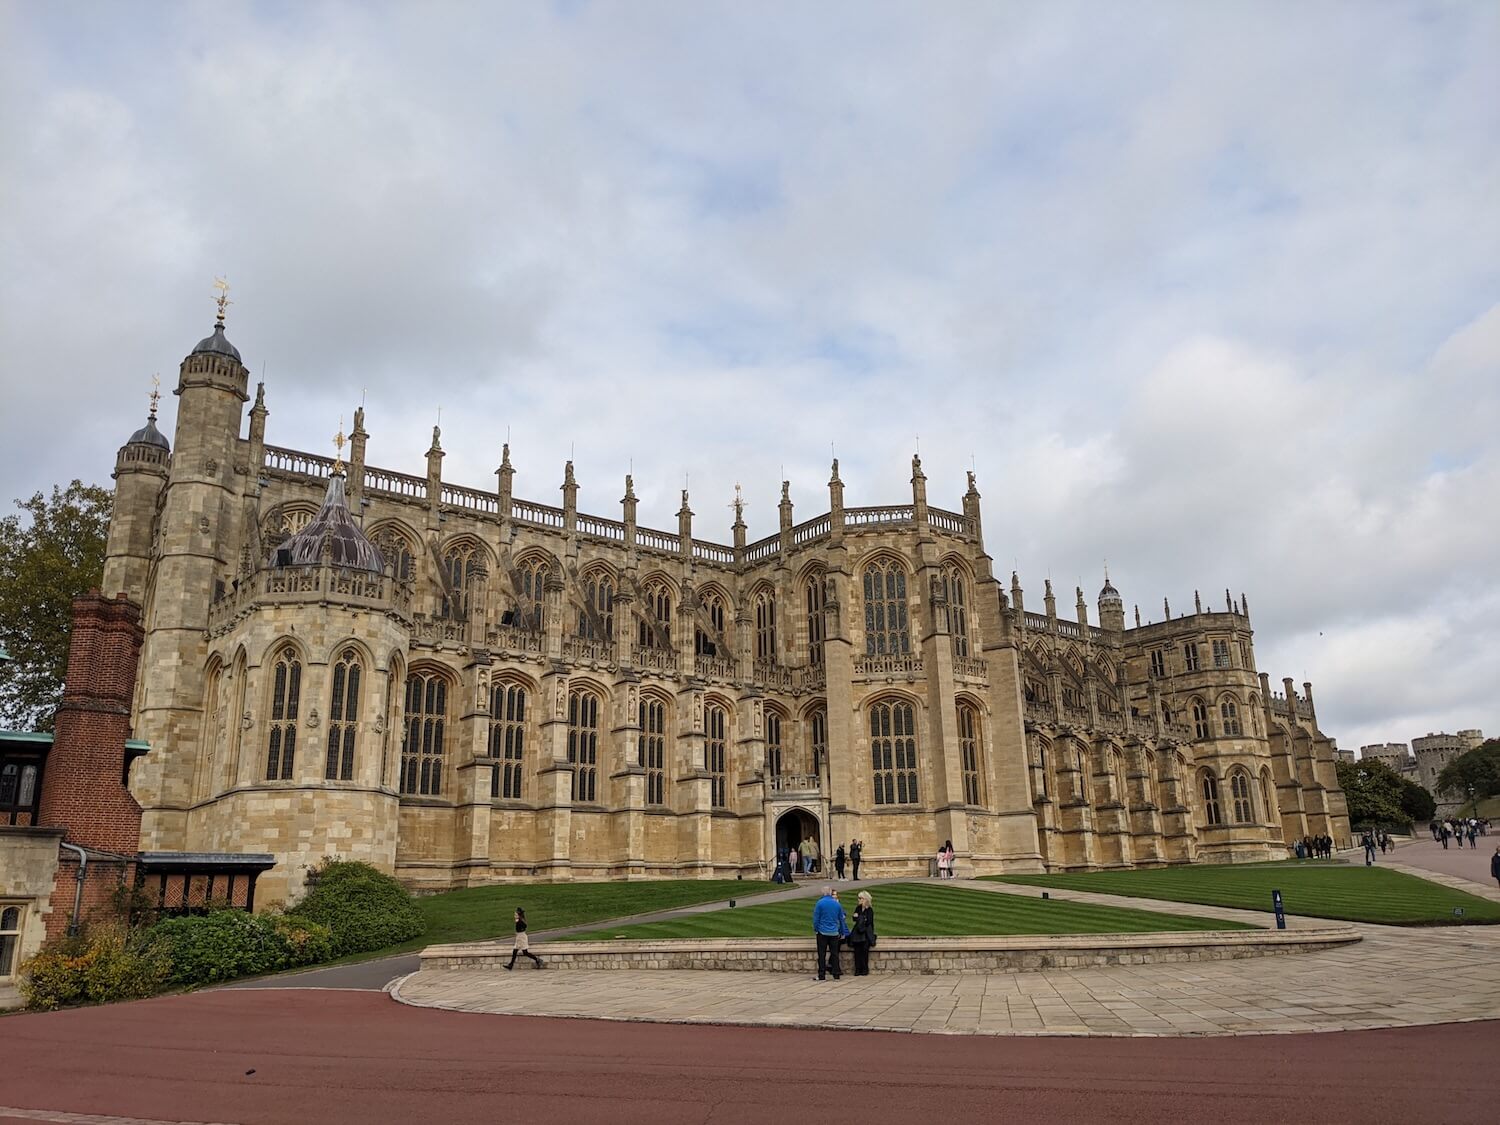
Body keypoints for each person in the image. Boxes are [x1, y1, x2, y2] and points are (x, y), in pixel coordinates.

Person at [812, 885, 846, 980]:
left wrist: (816, 929)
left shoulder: (820, 903)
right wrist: (842, 931)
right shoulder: (837, 904)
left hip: (822, 932)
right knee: (834, 954)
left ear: (823, 893)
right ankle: (836, 974)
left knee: (821, 954)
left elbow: (816, 919)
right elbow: (841, 919)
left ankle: (821, 974)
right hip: (834, 932)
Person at [849, 889, 877, 976]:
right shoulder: (858, 908)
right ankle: (858, 969)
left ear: (865, 899)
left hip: (865, 934)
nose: (859, 900)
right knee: (857, 952)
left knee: (864, 952)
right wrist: (859, 918)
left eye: (860, 898)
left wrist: (859, 917)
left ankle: (864, 969)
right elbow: (854, 918)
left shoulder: (869, 910)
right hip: (858, 934)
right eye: (858, 898)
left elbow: (868, 921)